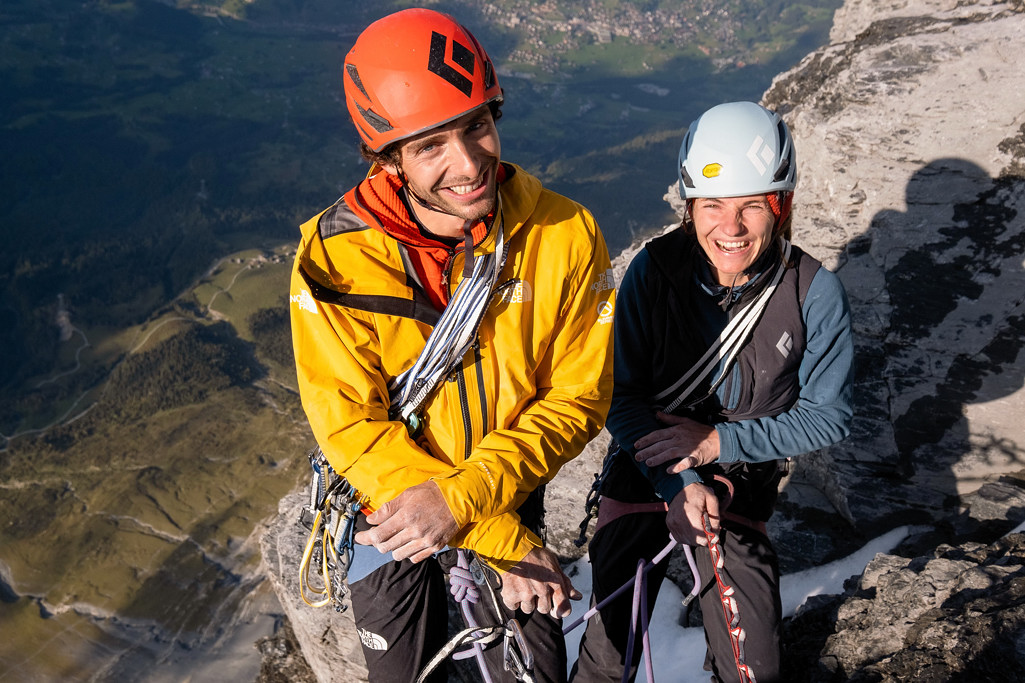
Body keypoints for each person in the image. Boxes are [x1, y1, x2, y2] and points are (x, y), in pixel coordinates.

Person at [289, 8, 615, 683]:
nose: (467, 164)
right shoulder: (336, 256)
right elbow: (349, 422)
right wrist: (487, 532)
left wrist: (466, 501)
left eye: (476, 127)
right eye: (430, 145)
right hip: (388, 510)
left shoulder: (564, 234)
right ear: (388, 157)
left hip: (499, 491)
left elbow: (578, 397)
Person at [570, 101, 854, 683]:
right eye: (713, 205)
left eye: (752, 205)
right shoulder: (654, 273)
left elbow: (829, 417)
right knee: (606, 656)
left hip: (740, 482)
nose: (732, 227)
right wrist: (678, 479)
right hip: (647, 468)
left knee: (754, 669)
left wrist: (718, 442)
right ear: (691, 206)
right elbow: (620, 398)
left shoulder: (812, 294)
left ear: (782, 206)